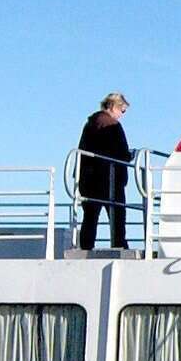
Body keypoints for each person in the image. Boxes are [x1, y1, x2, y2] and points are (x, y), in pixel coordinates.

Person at [75, 93, 132, 252]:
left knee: (90, 216)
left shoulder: (91, 124)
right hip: (109, 179)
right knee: (117, 215)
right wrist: (129, 156)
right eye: (122, 110)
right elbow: (120, 152)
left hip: (88, 178)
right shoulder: (112, 125)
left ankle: (86, 247)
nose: (122, 115)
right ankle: (119, 246)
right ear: (114, 106)